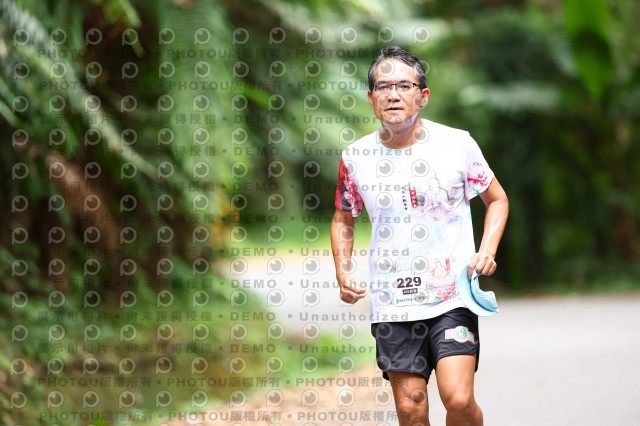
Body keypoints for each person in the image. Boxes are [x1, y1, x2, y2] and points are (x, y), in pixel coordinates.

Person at [331, 46, 508, 426]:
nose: (393, 95)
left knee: (458, 399)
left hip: (452, 295)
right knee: (411, 411)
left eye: (404, 86)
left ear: (423, 96)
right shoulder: (356, 157)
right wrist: (342, 272)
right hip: (393, 303)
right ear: (371, 98)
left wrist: (487, 251)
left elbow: (497, 199)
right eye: (383, 87)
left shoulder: (457, 144)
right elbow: (344, 218)